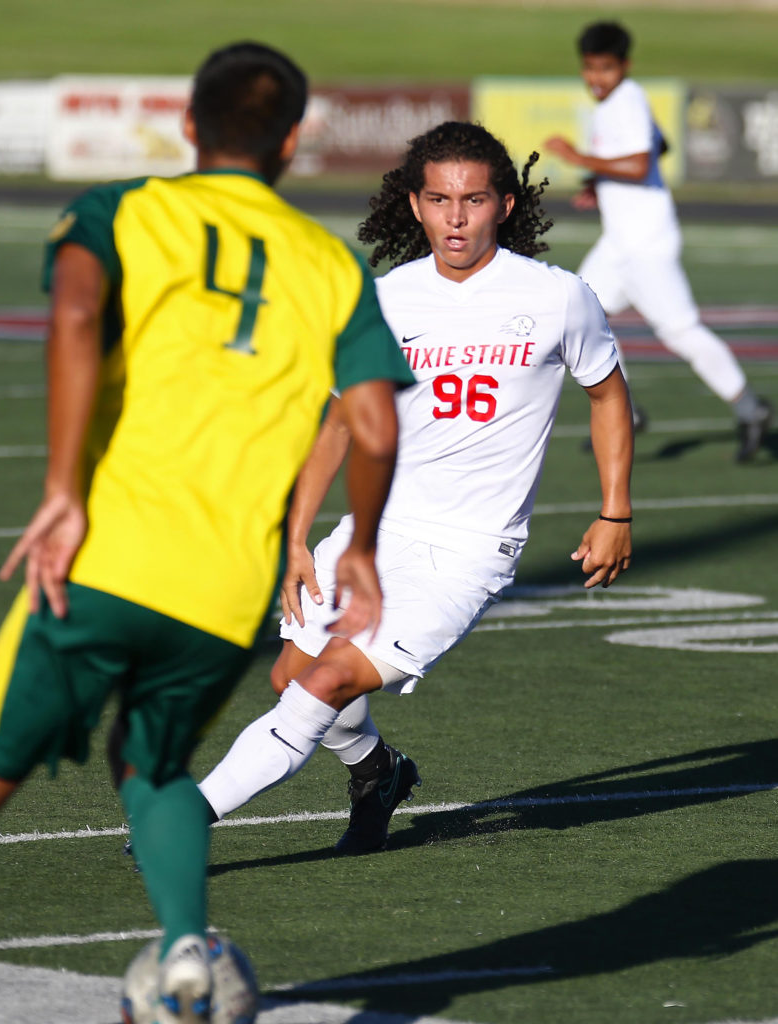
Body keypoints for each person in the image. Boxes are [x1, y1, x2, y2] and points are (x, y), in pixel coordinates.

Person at [0, 42, 413, 1024]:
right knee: (154, 767)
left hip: (104, 561)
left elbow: (77, 309)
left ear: (185, 125)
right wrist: (363, 547)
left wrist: (60, 486)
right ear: (293, 141)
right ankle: (183, 954)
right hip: (221, 593)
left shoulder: (123, 209)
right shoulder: (331, 264)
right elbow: (375, 422)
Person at [198, 120, 635, 855]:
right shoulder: (383, 299)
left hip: (470, 548)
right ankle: (378, 770)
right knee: (292, 675)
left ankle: (182, 816)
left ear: (504, 204)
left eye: (472, 200)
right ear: (414, 205)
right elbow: (337, 425)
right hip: (377, 532)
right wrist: (298, 536)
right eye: (438, 199)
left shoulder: (559, 297)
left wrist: (614, 510)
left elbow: (607, 394)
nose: (455, 217)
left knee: (329, 679)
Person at [544, 20, 772, 463]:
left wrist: (579, 159)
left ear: (625, 66)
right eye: (589, 68)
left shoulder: (626, 98)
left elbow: (640, 162)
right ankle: (625, 411)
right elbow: (660, 144)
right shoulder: (618, 101)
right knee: (582, 312)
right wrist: (599, 180)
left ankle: (751, 408)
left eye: (606, 68)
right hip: (620, 243)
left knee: (681, 332)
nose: (596, 77)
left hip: (645, 245)